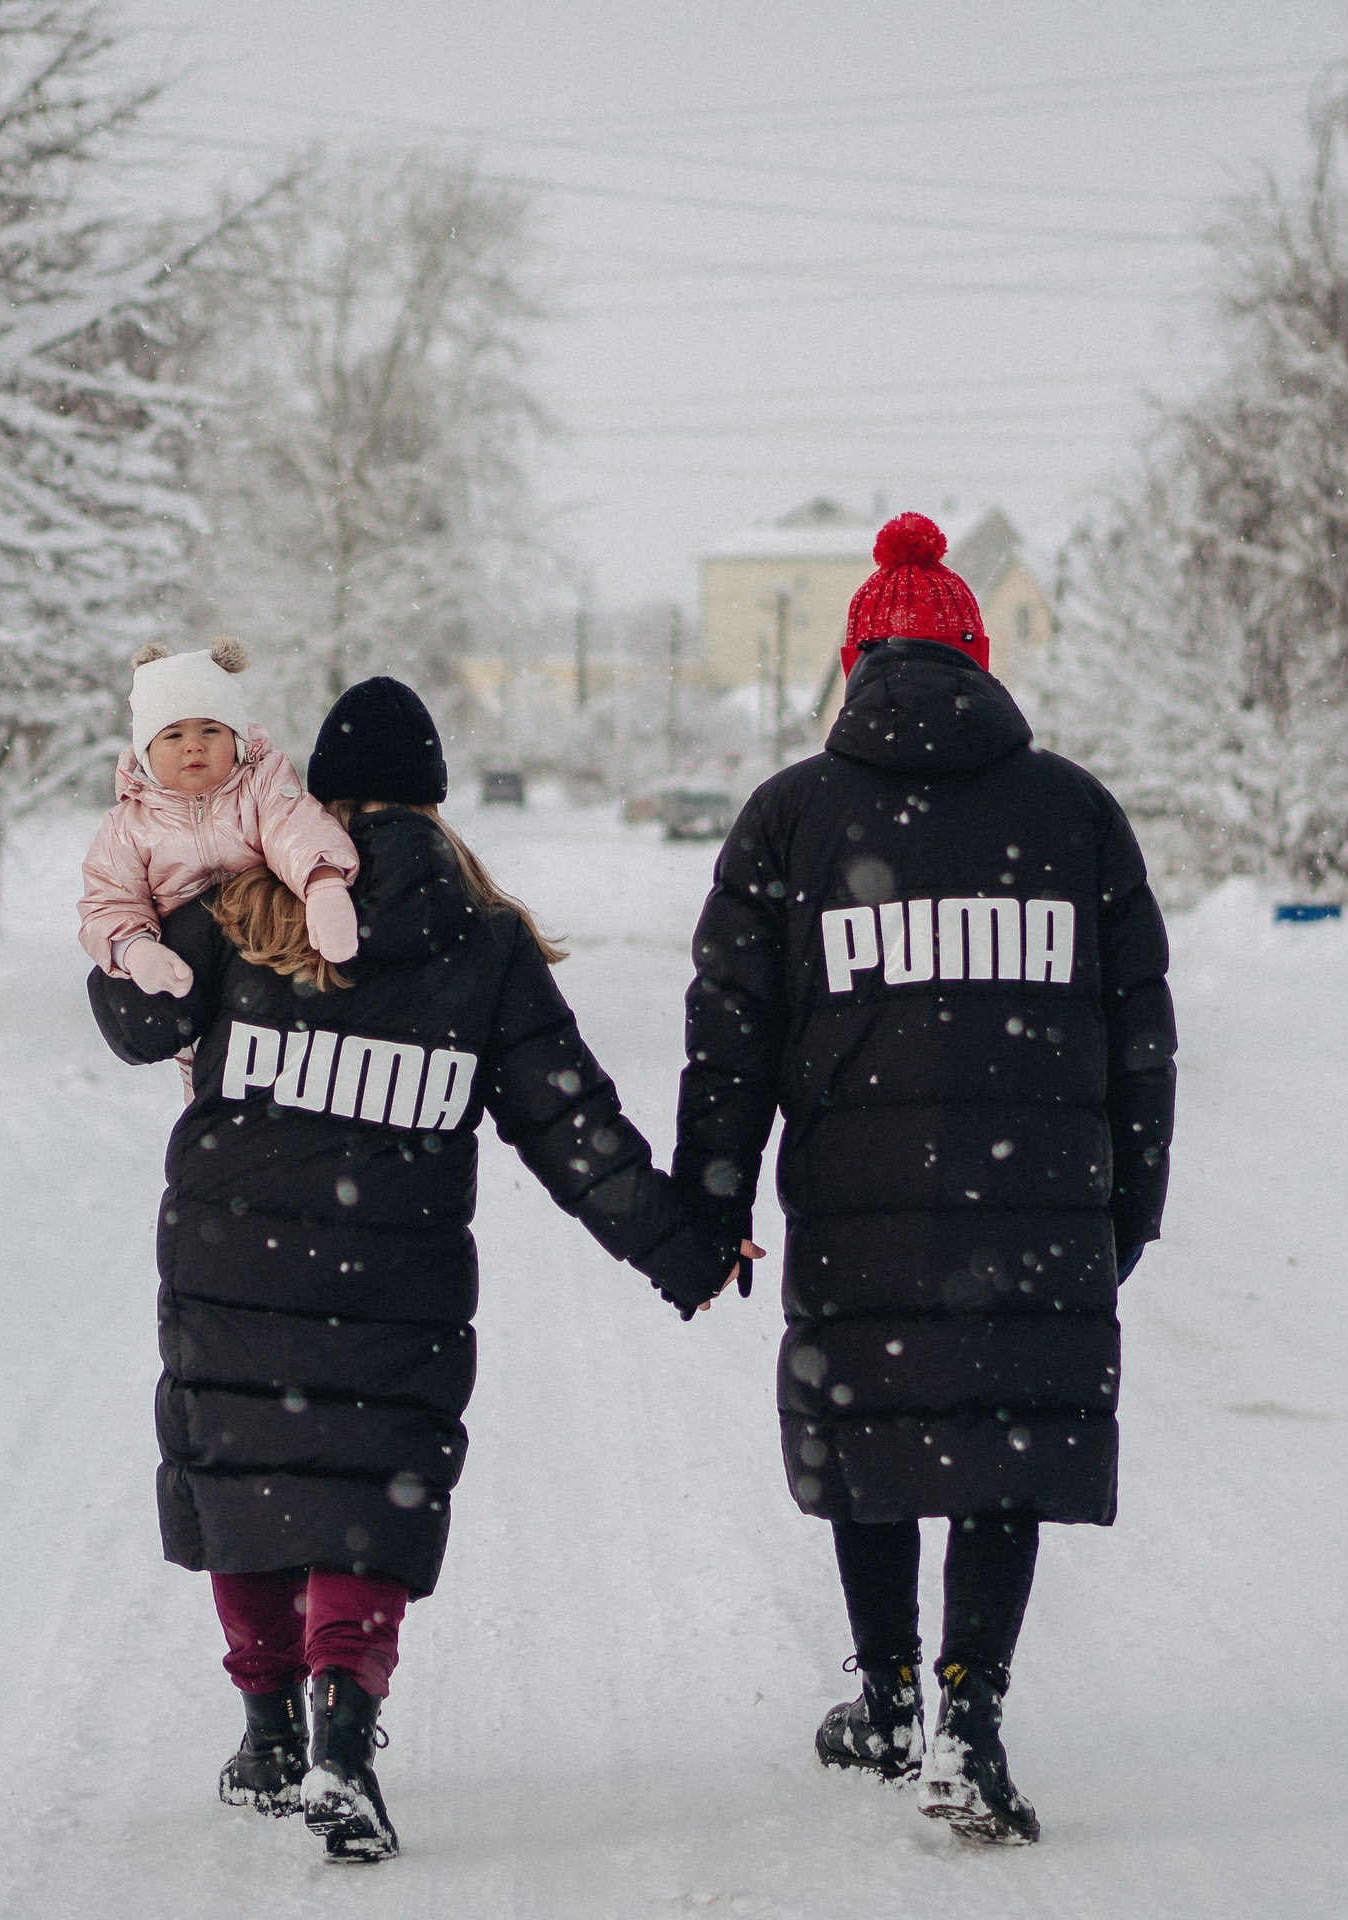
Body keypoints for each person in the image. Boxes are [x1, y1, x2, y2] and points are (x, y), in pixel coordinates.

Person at [87, 676, 745, 1865]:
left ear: (313, 794)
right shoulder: (483, 945)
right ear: (439, 807)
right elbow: (572, 1129)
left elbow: (135, 1027)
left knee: (247, 1475)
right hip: (394, 1283)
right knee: (364, 1494)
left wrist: (130, 920)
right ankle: (344, 1733)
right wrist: (684, 1250)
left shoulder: (239, 907)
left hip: (235, 1254)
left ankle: (268, 1730)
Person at [673, 512, 1177, 1846]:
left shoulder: (790, 817)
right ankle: (971, 1719)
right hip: (1039, 1207)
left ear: (854, 665)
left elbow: (729, 1037)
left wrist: (713, 1205)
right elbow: (1142, 1032)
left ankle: (890, 1699)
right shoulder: (1073, 814)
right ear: (979, 660)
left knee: (878, 1436)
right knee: (1005, 1440)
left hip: (858, 1192)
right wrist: (1131, 1205)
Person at [77, 639, 362, 1006]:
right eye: (174, 734)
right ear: (146, 752)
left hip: (271, 957)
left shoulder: (262, 783)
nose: (193, 745)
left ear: (236, 737)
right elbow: (109, 899)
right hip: (187, 972)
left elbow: (295, 826)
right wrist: (135, 950)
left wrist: (323, 885)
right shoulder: (127, 826)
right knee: (202, 1057)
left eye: (210, 730)